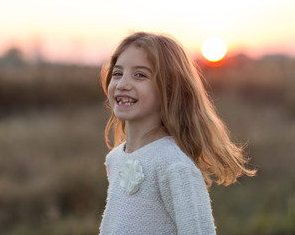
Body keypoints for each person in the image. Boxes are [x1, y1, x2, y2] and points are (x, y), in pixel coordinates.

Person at [99, 32, 256, 235]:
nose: (122, 84)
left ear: (169, 89)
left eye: (140, 75)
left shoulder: (174, 165)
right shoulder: (115, 159)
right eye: (118, 73)